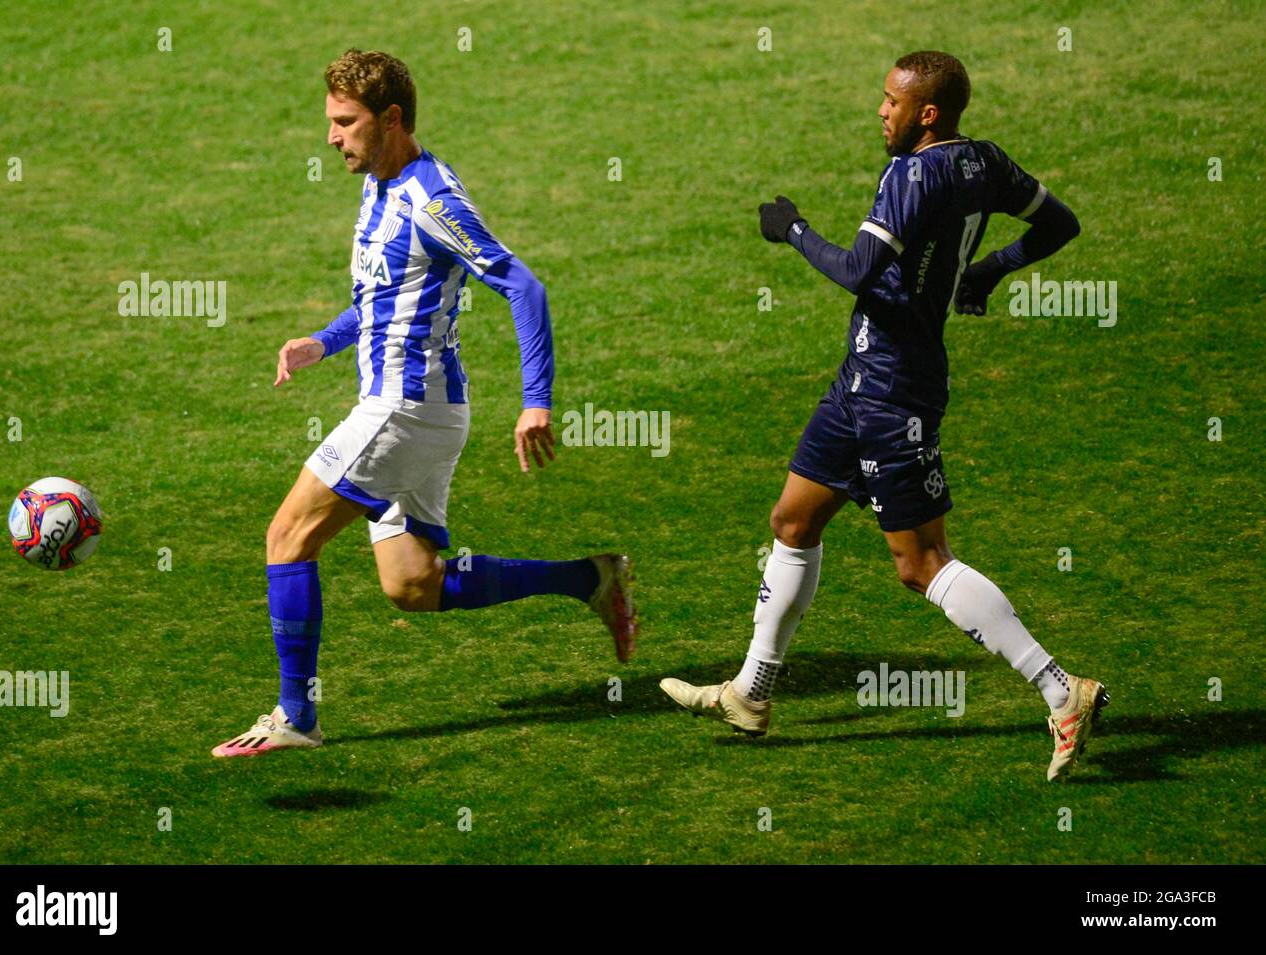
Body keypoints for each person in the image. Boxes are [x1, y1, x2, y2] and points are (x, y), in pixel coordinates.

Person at [659, 50, 1104, 781]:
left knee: (920, 561)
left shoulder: (911, 175)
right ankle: (752, 693)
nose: (881, 111)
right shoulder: (984, 162)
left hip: (892, 391)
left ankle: (1063, 690)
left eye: (892, 102)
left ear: (927, 113)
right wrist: (985, 269)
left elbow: (857, 270)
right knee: (794, 520)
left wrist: (791, 228)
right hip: (863, 380)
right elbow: (1060, 223)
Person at [213, 49, 635, 758]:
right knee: (413, 583)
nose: (331, 137)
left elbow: (524, 286)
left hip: (404, 409)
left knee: (286, 537)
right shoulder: (378, 185)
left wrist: (536, 401)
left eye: (346, 123)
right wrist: (322, 341)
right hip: (422, 411)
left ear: (392, 119)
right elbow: (381, 301)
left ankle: (296, 717)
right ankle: (591, 578)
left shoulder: (429, 198)